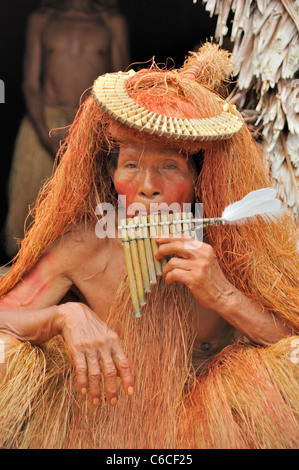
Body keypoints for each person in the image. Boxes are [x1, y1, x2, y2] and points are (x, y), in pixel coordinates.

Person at [0, 42, 298, 449]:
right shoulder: (84, 245)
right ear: (111, 174)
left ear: (200, 180)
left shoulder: (232, 248)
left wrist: (224, 295)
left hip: (207, 429)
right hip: (102, 425)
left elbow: (291, 339)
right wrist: (63, 317)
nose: (148, 188)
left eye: (169, 167)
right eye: (132, 165)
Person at [5, 0, 130, 257]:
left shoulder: (111, 22)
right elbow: (31, 84)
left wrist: (100, 134)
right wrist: (44, 135)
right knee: (29, 218)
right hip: (45, 121)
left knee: (87, 218)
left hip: (91, 123)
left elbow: (123, 82)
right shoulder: (43, 19)